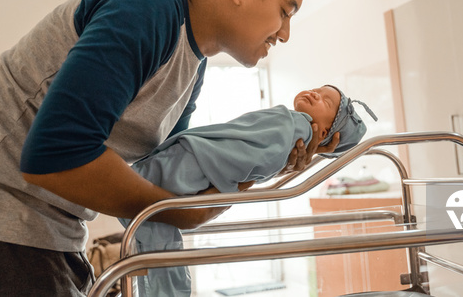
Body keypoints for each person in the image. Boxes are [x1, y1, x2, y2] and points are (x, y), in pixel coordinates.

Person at [0, 0, 326, 297]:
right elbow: (55, 156)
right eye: (286, 11)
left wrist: (265, 163)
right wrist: (175, 215)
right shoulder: (145, 7)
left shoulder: (193, 66)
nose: (286, 33)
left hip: (44, 230)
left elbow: (171, 180)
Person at [121, 85, 377, 297]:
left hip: (191, 163)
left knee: (157, 246)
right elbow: (255, 157)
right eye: (319, 89)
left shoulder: (298, 127)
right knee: (159, 251)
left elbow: (257, 159)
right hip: (192, 163)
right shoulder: (290, 123)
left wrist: (236, 182)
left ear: (323, 133)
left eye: (327, 102)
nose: (315, 93)